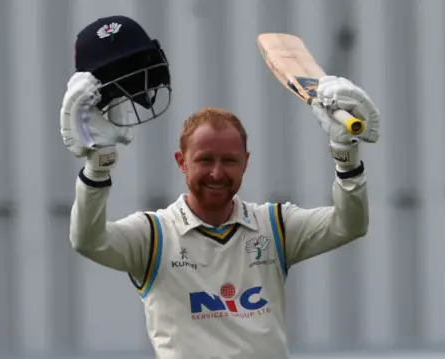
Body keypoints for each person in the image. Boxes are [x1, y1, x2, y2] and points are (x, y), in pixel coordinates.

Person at [60, 15, 380, 359]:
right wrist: (97, 167)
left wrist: (346, 156)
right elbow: (88, 241)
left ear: (246, 162)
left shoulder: (274, 227)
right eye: (204, 160)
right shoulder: (153, 236)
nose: (216, 173)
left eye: (229, 160)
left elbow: (350, 225)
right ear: (182, 162)